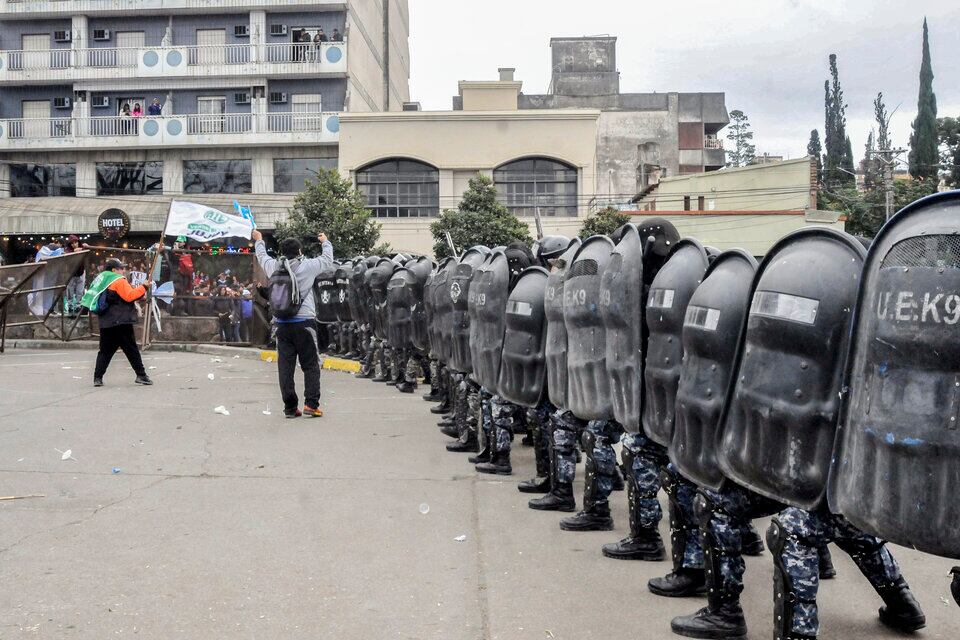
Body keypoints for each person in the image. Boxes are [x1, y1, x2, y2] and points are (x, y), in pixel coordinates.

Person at [252, 228, 334, 418]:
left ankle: (290, 408)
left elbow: (262, 257)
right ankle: (311, 405)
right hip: (305, 323)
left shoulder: (274, 267)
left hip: (281, 324)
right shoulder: (309, 266)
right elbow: (327, 259)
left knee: (285, 367)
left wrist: (259, 240)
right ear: (300, 251)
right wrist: (325, 241)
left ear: (282, 252)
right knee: (311, 364)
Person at [82, 258, 152, 387]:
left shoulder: (101, 279)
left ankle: (97, 378)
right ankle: (141, 375)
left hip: (106, 321)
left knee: (105, 351)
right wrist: (144, 287)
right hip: (121, 321)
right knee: (131, 350)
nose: (124, 271)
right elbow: (129, 296)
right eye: (121, 268)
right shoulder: (118, 280)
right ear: (114, 270)